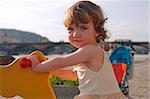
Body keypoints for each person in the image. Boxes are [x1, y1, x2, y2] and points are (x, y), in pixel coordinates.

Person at [30, 1, 126, 99]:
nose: (76, 34)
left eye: (83, 28)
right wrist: (51, 68)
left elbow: (60, 61)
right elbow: (74, 75)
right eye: (71, 29)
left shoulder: (90, 50)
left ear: (97, 31)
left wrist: (37, 67)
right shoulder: (89, 53)